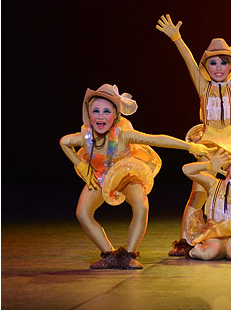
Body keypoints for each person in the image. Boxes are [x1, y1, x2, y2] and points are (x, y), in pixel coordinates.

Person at [60, 84, 211, 269]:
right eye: (96, 111)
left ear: (115, 115)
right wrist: (81, 165)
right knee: (82, 213)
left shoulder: (122, 135)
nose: (100, 116)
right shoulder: (86, 137)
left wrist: (190, 147)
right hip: (100, 178)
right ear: (89, 114)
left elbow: (155, 139)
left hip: (126, 176)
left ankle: (129, 255)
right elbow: (64, 142)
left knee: (141, 205)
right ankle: (109, 255)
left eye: (106, 111)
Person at [156, 11, 231, 256]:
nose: (219, 67)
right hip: (207, 146)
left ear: (230, 65)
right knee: (199, 193)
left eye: (224, 62)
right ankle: (186, 241)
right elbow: (189, 61)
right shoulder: (204, 87)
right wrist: (177, 38)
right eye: (213, 62)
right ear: (206, 67)